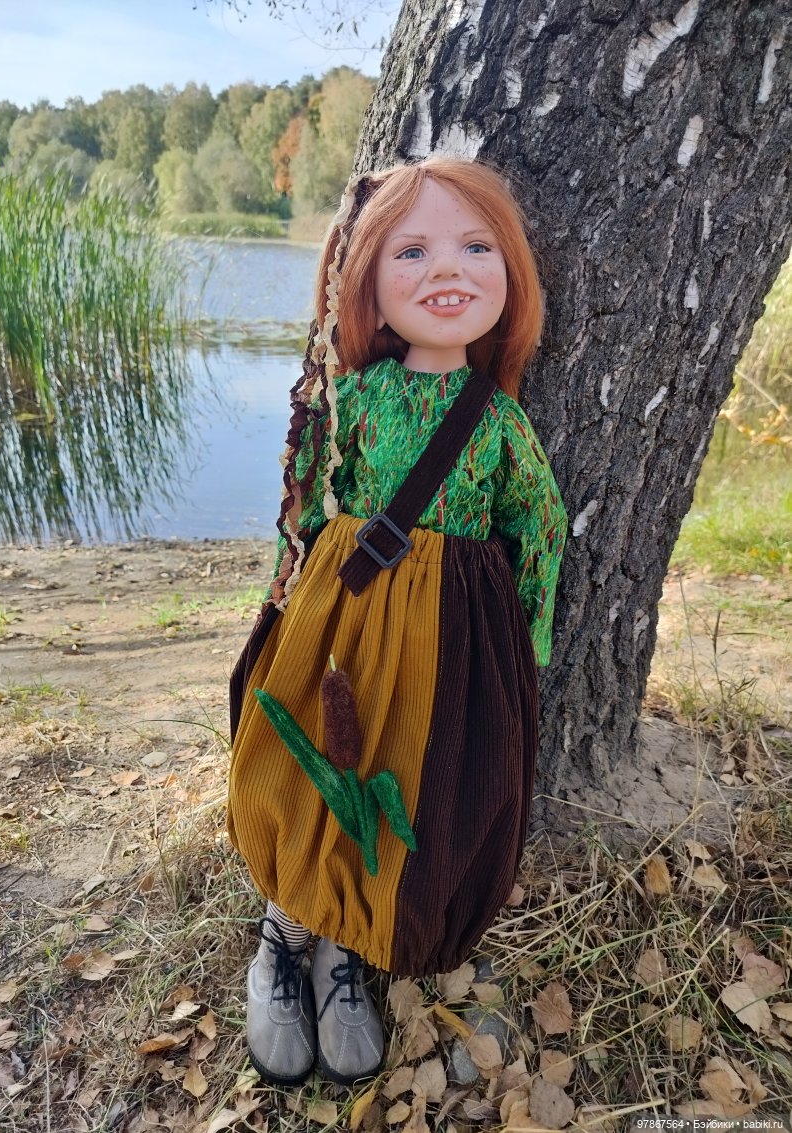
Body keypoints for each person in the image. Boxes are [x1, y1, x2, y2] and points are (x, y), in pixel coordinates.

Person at [226, 156, 568, 1088]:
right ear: (368, 280)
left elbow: (539, 528)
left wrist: (526, 643)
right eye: (411, 251)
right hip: (339, 615)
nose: (446, 269)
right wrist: (283, 599)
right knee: (310, 761)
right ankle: (284, 933)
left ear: (512, 273)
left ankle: (347, 941)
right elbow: (308, 501)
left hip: (444, 643)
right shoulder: (353, 397)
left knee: (401, 771)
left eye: (476, 247)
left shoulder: (497, 422)